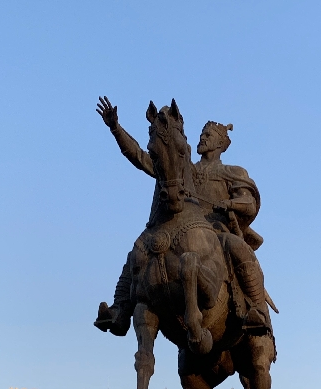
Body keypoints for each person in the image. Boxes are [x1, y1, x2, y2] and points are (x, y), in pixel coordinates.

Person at [95, 96, 273, 337]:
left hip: (216, 232)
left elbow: (249, 202)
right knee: (139, 250)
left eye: (208, 135)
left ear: (220, 143)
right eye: (201, 134)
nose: (203, 138)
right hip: (182, 229)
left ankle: (256, 310)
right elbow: (141, 157)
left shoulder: (232, 172)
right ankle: (120, 309)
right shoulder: (183, 166)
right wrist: (116, 128)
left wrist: (229, 203)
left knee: (237, 246)